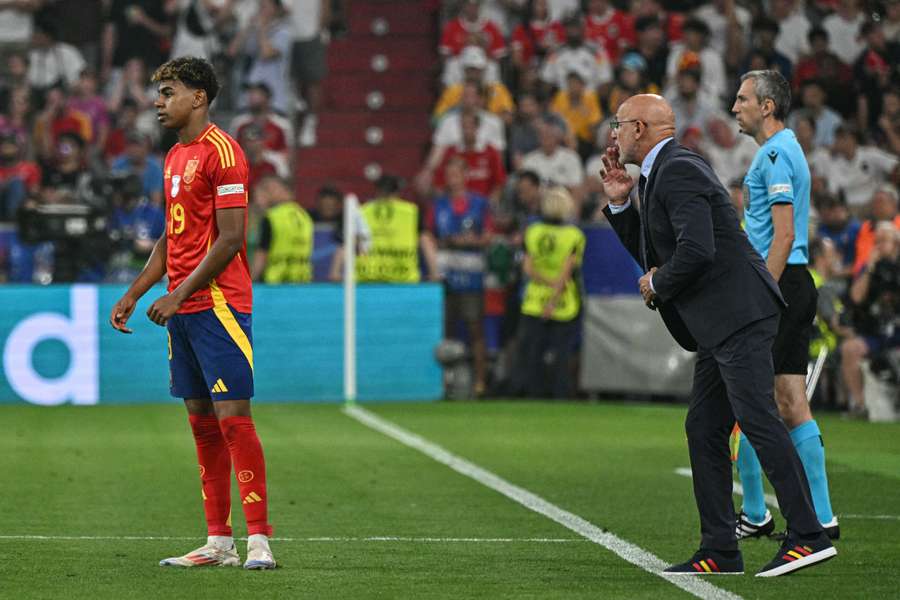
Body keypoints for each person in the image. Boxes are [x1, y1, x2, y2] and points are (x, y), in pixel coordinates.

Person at [598, 94, 835, 576]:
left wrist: (660, 283)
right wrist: (622, 205)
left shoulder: (679, 168)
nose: (613, 135)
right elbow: (658, 250)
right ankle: (720, 549)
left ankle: (809, 534)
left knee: (758, 418)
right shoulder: (662, 171)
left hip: (738, 315)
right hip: (719, 321)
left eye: (618, 125)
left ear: (640, 128)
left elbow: (698, 250)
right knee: (704, 427)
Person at [109, 56, 275, 570]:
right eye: (159, 93)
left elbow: (230, 240)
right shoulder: (175, 157)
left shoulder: (224, 153)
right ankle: (218, 542)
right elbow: (171, 236)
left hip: (219, 304)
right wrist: (136, 291)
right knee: (202, 423)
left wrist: (178, 295)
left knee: (233, 420)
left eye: (168, 92)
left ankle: (260, 542)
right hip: (179, 308)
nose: (158, 102)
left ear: (198, 97)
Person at [731, 70, 838, 541]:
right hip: (795, 282)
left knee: (750, 401)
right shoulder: (786, 150)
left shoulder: (774, 155)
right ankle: (824, 514)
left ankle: (755, 512)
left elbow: (784, 234)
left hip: (778, 282)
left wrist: (759, 292)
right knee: (791, 402)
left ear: (767, 106)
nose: (735, 107)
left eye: (742, 99)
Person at [512, 186, 585, 398]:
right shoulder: (574, 235)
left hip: (534, 299)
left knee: (532, 350)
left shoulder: (532, 230)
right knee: (561, 352)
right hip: (563, 301)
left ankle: (531, 392)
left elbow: (527, 268)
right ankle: (559, 393)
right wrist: (553, 299)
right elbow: (566, 274)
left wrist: (544, 284)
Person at [331, 174, 438, 283]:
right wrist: (434, 273)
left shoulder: (362, 211)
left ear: (377, 190)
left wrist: (335, 271)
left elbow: (347, 243)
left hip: (366, 281)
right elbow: (425, 241)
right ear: (398, 191)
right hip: (403, 281)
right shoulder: (411, 212)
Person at [251, 175, 313, 283]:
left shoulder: (272, 217)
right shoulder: (304, 215)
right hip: (302, 278)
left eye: (269, 190)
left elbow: (262, 253)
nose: (268, 194)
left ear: (283, 190)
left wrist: (252, 279)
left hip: (275, 279)